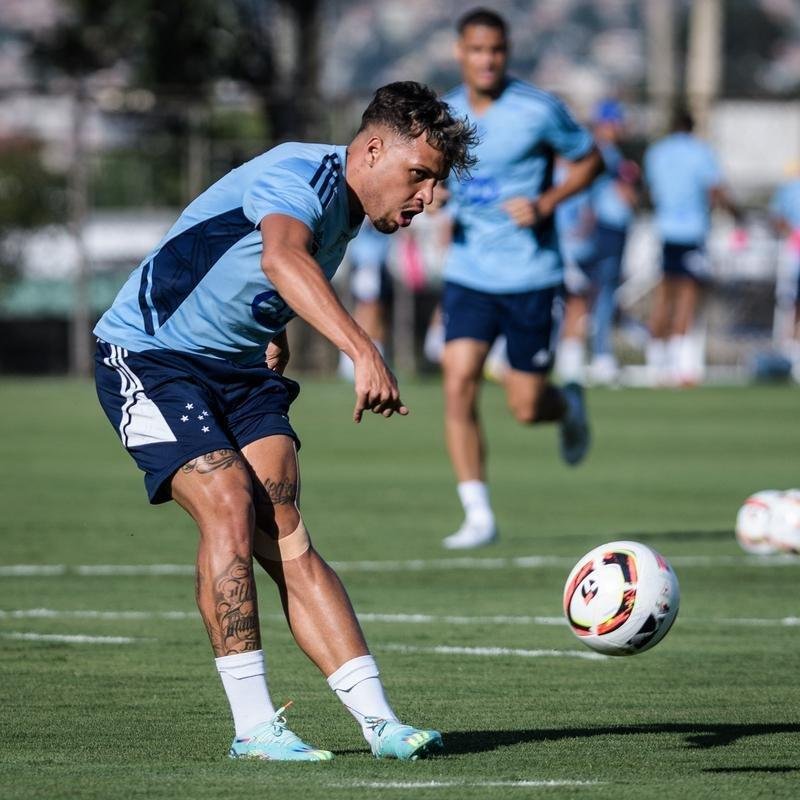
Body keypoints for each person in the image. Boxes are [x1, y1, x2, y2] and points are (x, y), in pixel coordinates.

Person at [93, 82, 477, 761]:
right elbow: (280, 255)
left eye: (436, 183)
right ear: (373, 148)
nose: (427, 198)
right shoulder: (303, 173)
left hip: (240, 371)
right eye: (419, 175)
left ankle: (381, 724)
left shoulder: (351, 213)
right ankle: (254, 728)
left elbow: (260, 276)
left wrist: (274, 331)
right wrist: (362, 349)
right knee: (228, 502)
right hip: (150, 357)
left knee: (284, 524)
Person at [438, 8, 602, 550]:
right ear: (460, 52)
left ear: (507, 53)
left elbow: (590, 160)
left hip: (532, 274)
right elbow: (428, 172)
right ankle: (478, 513)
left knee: (526, 406)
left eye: (497, 50)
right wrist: (432, 192)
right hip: (468, 271)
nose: (487, 60)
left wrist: (548, 201)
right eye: (477, 50)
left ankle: (567, 406)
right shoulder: (443, 115)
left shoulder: (538, 109)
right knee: (458, 377)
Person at [644, 109, 740, 386]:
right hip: (692, 231)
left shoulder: (657, 153)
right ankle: (680, 364)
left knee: (663, 294)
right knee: (687, 295)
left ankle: (656, 361)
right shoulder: (700, 152)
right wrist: (736, 214)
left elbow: (651, 191)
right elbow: (715, 189)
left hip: (664, 229)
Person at [558, 100, 639, 386]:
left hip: (603, 230)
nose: (618, 127)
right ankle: (597, 355)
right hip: (600, 232)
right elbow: (589, 193)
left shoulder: (609, 152)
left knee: (595, 296)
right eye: (614, 121)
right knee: (592, 295)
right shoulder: (598, 151)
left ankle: (589, 355)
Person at [337, 218, 392, 381]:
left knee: (374, 315)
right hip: (365, 271)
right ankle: (355, 362)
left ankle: (374, 359)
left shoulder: (382, 233)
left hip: (376, 272)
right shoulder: (359, 229)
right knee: (365, 313)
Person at [769, 169, 800, 379]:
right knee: (794, 305)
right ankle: (794, 357)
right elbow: (777, 218)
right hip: (796, 253)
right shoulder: (790, 187)